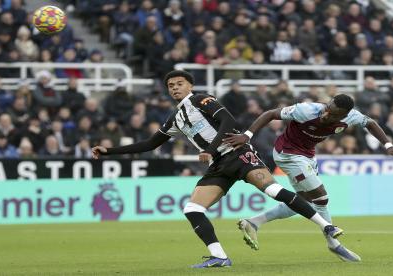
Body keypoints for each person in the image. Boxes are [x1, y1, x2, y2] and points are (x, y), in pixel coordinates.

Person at [92, 70, 343, 268]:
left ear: (189, 86)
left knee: (273, 189)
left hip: (238, 153)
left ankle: (326, 226)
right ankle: (219, 257)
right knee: (192, 209)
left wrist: (211, 148)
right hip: (218, 165)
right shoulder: (174, 118)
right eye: (171, 85)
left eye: (179, 83)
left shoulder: (201, 99)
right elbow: (150, 143)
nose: (175, 88)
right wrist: (109, 151)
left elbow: (228, 120)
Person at [223, 94, 393, 262]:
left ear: (343, 115)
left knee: (304, 202)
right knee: (321, 195)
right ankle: (333, 241)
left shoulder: (352, 116)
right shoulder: (306, 110)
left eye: (333, 113)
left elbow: (370, 122)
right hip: (288, 154)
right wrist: (247, 135)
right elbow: (271, 114)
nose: (326, 113)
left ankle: (254, 222)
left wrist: (388, 146)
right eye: (328, 108)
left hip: (308, 155)